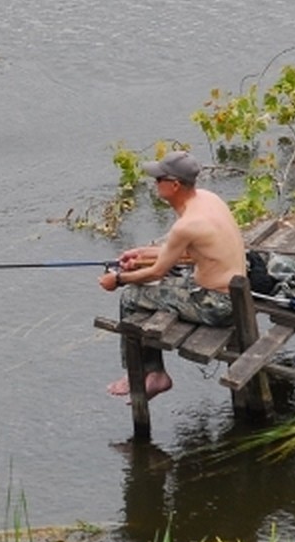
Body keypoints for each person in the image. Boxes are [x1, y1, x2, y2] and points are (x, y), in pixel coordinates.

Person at [98, 150, 247, 399]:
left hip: (217, 306)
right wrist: (139, 252)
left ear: (175, 185)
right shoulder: (208, 199)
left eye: (158, 180)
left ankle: (149, 373)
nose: (154, 184)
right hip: (231, 294)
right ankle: (151, 371)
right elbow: (183, 250)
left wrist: (118, 280)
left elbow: (158, 270)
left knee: (131, 297)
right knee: (156, 284)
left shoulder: (186, 224)